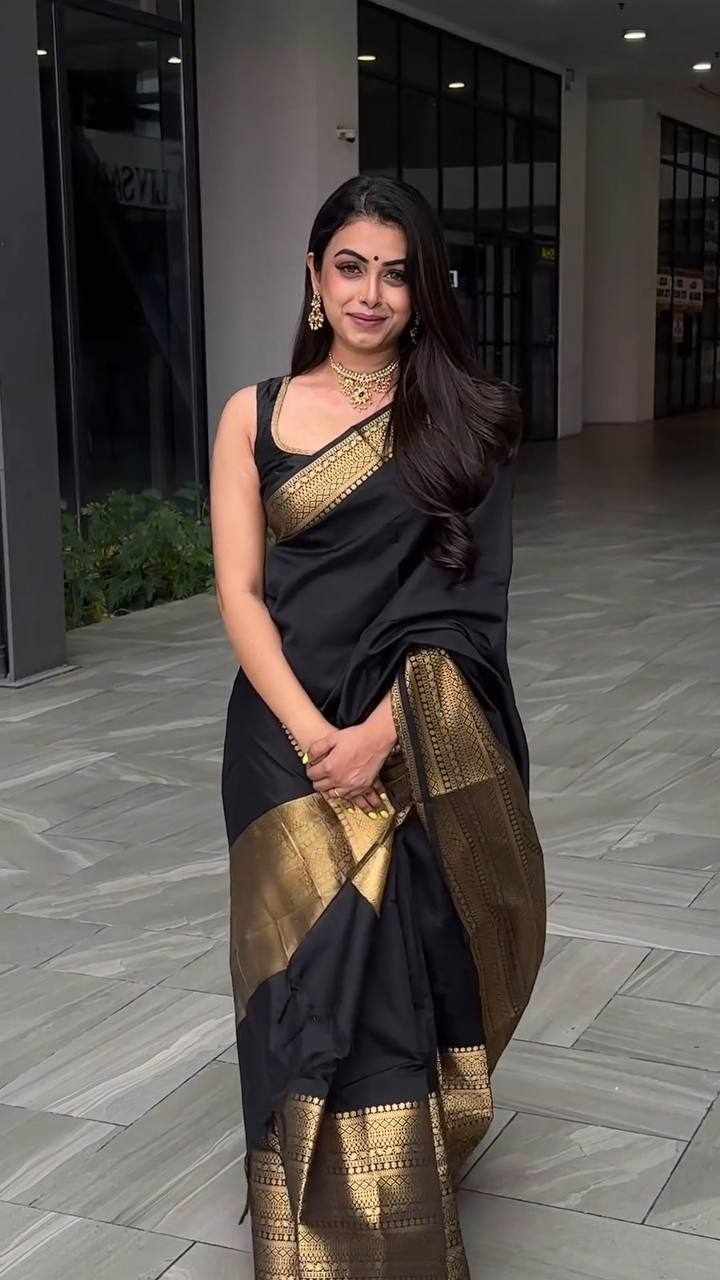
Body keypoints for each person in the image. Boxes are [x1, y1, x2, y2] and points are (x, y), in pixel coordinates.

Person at [211, 174, 546, 1280]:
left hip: (409, 733)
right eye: (350, 267)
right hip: (280, 739)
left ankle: (395, 1217)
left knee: (400, 978)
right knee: (298, 985)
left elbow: (472, 609)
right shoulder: (253, 414)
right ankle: (299, 1231)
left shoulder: (467, 419)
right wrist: (317, 733)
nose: (371, 293)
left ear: (422, 289)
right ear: (314, 277)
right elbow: (241, 593)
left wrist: (379, 734)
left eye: (396, 274)